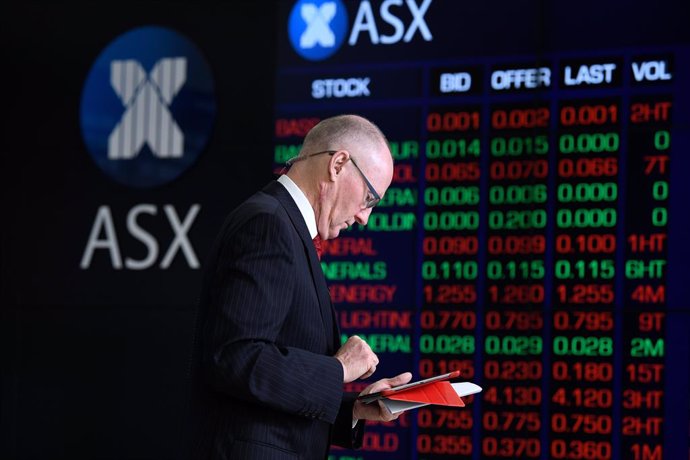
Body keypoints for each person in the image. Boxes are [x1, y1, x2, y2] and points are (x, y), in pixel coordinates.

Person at [184, 114, 412, 460]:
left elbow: (266, 388)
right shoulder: (268, 223)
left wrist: (353, 409)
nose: (366, 217)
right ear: (338, 164)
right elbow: (235, 357)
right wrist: (339, 370)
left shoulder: (285, 226)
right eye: (370, 198)